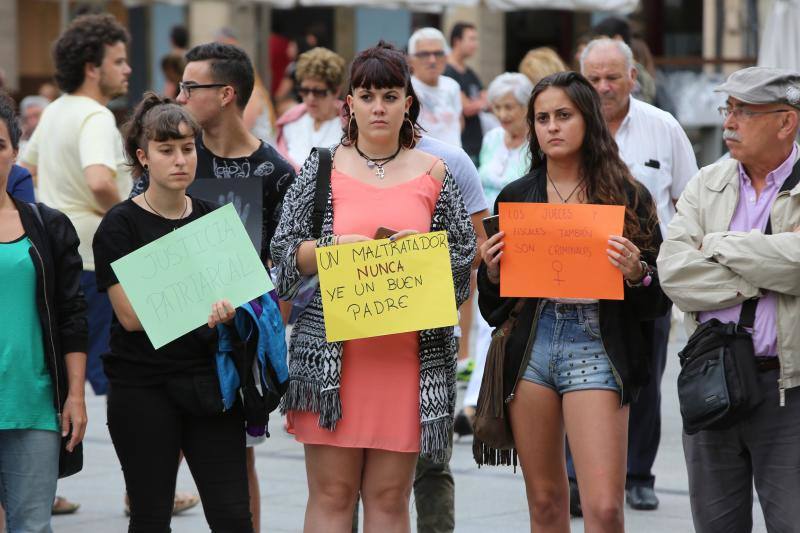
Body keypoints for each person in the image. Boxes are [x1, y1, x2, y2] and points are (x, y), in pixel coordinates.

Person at [272, 41, 475, 533]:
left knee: (388, 500)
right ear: (350, 105)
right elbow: (281, 258)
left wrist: (425, 253)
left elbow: (463, 266)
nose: (378, 107)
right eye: (367, 95)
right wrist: (326, 249)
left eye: (389, 95)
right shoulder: (321, 169)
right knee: (332, 495)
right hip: (331, 360)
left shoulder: (434, 172)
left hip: (407, 359)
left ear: (408, 102)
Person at [476, 71, 669, 532]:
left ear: (588, 122)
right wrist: (492, 271)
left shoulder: (626, 197)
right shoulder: (517, 196)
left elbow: (659, 297)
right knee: (544, 502)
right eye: (541, 118)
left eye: (564, 115)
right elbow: (493, 307)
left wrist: (637, 273)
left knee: (603, 508)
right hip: (533, 347)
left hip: (598, 345)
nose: (552, 127)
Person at [128, 41, 296, 532]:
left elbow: (284, 266)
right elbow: (139, 233)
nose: (178, 96)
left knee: (237, 467)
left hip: (233, 343)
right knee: (159, 465)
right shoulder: (176, 156)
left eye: (189, 87)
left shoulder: (275, 172)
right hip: (169, 333)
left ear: (225, 94)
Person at [94, 93, 253, 533]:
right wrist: (207, 307)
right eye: (166, 150)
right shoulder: (119, 225)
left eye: (187, 148)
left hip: (210, 385)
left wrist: (233, 310)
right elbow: (130, 315)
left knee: (234, 516)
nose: (180, 159)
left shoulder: (213, 219)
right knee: (150, 516)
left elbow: (242, 297)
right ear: (144, 158)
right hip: (143, 386)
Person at [658, 67, 800, 533]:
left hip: (788, 389)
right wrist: (766, 273)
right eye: (729, 108)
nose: (728, 123)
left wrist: (720, 245)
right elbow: (674, 271)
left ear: (786, 122)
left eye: (744, 111)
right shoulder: (708, 181)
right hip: (711, 378)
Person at [575, 37, 698, 513]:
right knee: (579, 373)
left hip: (646, 275)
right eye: (594, 78)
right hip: (579, 274)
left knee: (643, 376)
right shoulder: (567, 125)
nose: (604, 87)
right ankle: (576, 475)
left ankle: (639, 474)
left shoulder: (662, 126)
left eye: (612, 77)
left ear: (633, 77)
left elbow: (689, 200)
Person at [20, 12, 131, 399]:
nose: (128, 69)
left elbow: (23, 171)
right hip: (92, 255)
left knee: (69, 368)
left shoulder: (54, 110)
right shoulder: (96, 116)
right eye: (118, 61)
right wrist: (127, 217)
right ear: (92, 68)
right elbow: (100, 180)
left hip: (56, 253)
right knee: (106, 373)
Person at [0, 91, 88, 533]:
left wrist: (75, 396)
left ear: (16, 153)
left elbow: (72, 315)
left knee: (32, 525)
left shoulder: (47, 226)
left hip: (33, 404)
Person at [275, 47, 346, 171]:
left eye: (318, 92)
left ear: (336, 91)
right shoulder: (290, 123)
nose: (310, 98)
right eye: (305, 90)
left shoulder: (349, 128)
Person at [409, 28, 463, 147]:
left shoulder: (452, 86)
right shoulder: (406, 88)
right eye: (424, 54)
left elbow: (459, 122)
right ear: (411, 59)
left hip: (455, 160)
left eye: (438, 54)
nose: (432, 60)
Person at [444, 22, 487, 164]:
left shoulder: (470, 72)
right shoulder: (447, 72)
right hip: (462, 146)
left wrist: (480, 103)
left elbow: (487, 97)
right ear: (457, 41)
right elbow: (467, 108)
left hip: (477, 144)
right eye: (472, 39)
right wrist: (481, 103)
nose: (476, 44)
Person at [591, 17, 656, 105]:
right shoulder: (637, 70)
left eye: (612, 78)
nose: (603, 88)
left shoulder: (634, 74)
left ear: (618, 39)